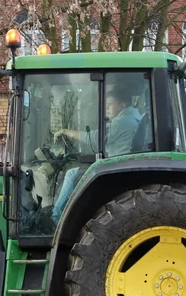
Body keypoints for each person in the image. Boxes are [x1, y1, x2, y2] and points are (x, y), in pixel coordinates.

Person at [50, 84, 143, 222]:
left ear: (122, 106)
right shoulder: (133, 118)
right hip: (118, 162)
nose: (106, 108)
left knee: (71, 174)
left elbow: (93, 138)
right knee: (75, 171)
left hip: (115, 166)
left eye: (110, 105)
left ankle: (56, 216)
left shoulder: (122, 122)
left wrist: (65, 131)